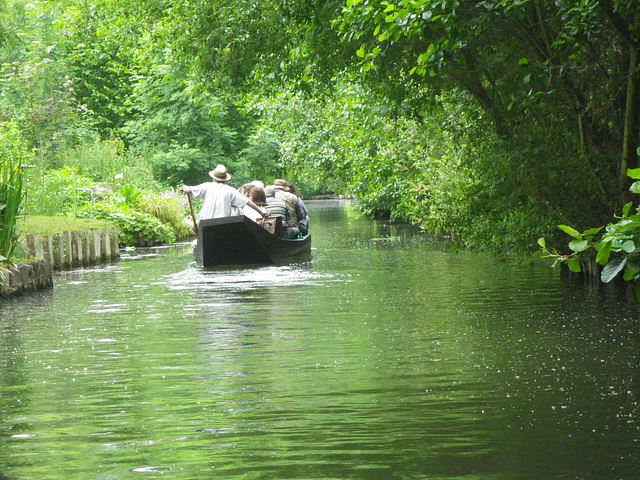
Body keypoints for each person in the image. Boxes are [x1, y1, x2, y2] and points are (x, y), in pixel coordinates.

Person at [179, 164, 267, 224]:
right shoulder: (230, 190)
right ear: (225, 179)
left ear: (213, 177)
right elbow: (248, 202)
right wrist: (261, 212)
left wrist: (183, 188)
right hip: (223, 224)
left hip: (206, 224)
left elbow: (188, 189)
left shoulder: (206, 186)